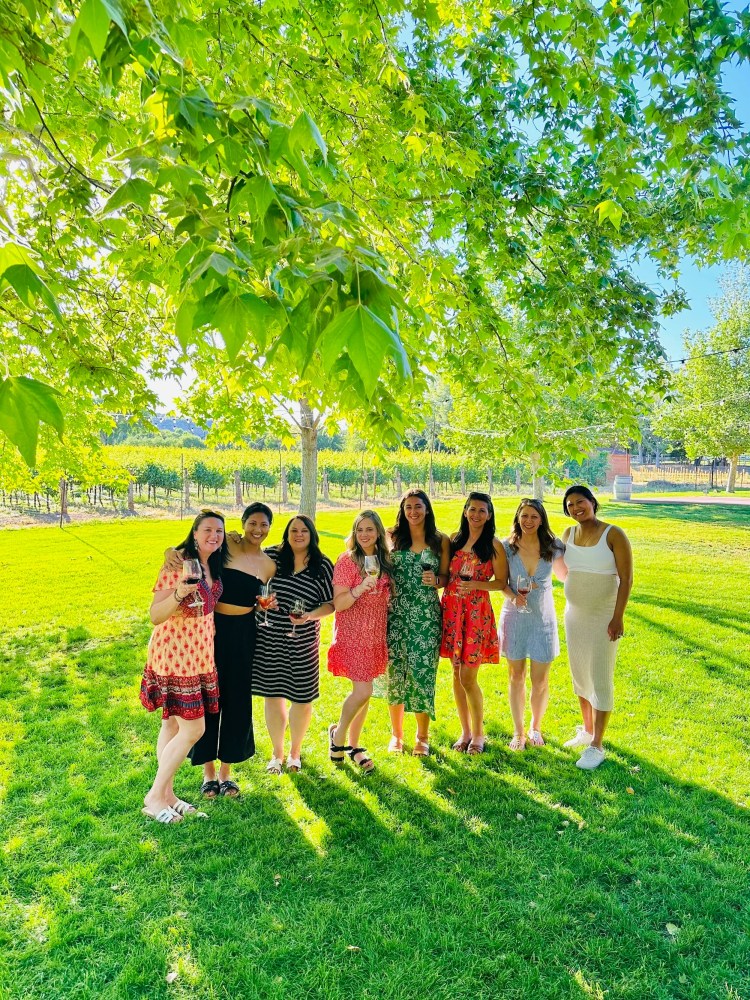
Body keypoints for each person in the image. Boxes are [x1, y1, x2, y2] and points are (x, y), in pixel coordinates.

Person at [168, 503, 276, 797]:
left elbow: (261, 600)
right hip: (212, 629)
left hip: (244, 634)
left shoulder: (269, 565)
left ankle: (227, 773)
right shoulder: (227, 544)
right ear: (242, 524)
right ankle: (208, 774)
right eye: (252, 523)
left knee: (237, 700)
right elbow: (193, 549)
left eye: (263, 524)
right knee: (209, 697)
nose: (257, 529)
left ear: (269, 528)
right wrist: (170, 552)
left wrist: (266, 605)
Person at [139, 510, 228, 823]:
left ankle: (168, 795)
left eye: (219, 531)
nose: (213, 536)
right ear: (194, 532)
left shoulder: (212, 561)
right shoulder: (177, 562)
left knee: (172, 726)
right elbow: (155, 615)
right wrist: (179, 593)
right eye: (207, 530)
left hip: (200, 653)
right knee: (194, 728)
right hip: (175, 652)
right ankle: (154, 797)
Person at [252, 515, 335, 773]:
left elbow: (331, 603)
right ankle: (277, 754)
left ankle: (295, 753)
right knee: (273, 694)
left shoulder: (322, 565)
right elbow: (252, 586)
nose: (298, 534)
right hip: (269, 635)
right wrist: (260, 603)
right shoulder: (271, 557)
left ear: (312, 535)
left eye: (304, 531)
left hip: (304, 639)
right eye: (293, 530)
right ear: (286, 534)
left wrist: (309, 616)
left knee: (302, 697)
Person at [560, 485, 633, 770]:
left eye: (580, 502)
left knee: (600, 675)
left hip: (604, 616)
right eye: (570, 506)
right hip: (574, 616)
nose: (576, 508)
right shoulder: (568, 534)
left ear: (592, 502)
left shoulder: (613, 534)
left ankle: (597, 745)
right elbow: (557, 565)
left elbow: (626, 579)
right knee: (579, 672)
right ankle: (587, 730)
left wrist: (618, 617)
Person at [379, 489, 450, 757]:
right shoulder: (392, 536)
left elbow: (446, 576)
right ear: (402, 509)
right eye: (408, 507)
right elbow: (355, 542)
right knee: (395, 673)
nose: (413, 511)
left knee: (422, 672)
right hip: (395, 613)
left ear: (427, 509)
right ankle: (396, 735)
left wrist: (438, 581)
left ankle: (422, 736)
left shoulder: (439, 540)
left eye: (418, 506)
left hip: (426, 615)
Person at [327, 510, 393, 774]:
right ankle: (338, 735)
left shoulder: (384, 562)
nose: (364, 535)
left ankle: (354, 745)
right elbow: (339, 603)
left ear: (378, 532)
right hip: (353, 632)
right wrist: (359, 589)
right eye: (359, 530)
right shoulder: (346, 561)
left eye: (369, 529)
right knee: (363, 691)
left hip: (375, 633)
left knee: (365, 695)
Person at [498, 499, 566, 750]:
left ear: (542, 520)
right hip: (514, 617)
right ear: (517, 518)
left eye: (534, 517)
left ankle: (535, 728)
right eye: (524, 516)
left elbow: (566, 576)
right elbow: (501, 582)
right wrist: (513, 596)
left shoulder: (554, 546)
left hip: (542, 619)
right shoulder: (506, 547)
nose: (528, 521)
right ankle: (518, 733)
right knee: (516, 676)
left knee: (540, 681)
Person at [441, 492, 505, 754]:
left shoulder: (493, 545)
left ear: (489, 515)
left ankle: (479, 734)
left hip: (476, 615)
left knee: (468, 676)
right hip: (452, 612)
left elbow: (501, 583)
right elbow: (445, 575)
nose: (476, 514)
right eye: (472, 509)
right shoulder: (454, 541)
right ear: (465, 511)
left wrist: (474, 585)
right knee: (456, 676)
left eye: (482, 510)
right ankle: (465, 732)